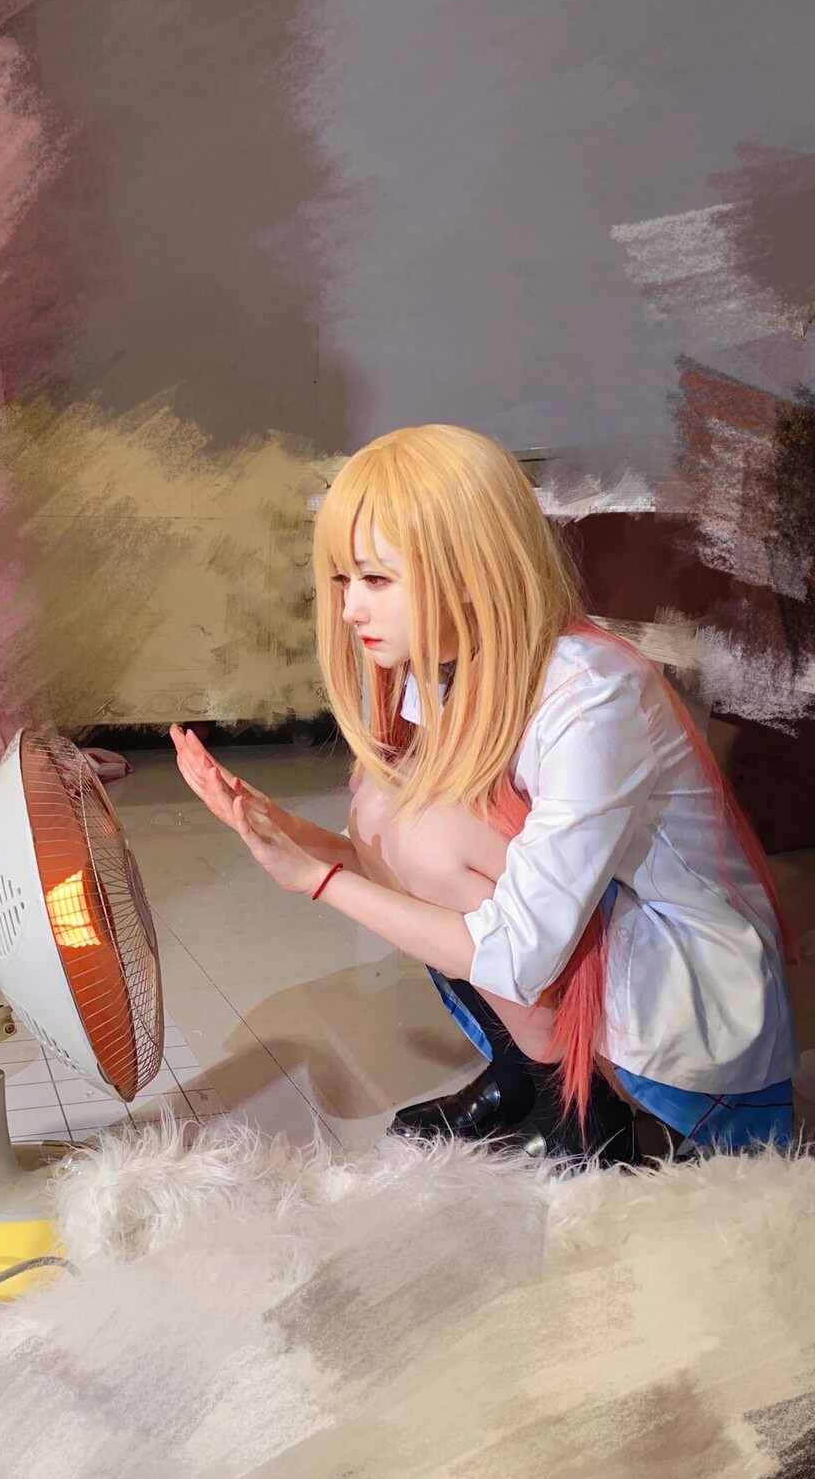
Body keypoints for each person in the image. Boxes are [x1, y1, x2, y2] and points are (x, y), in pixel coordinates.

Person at [171, 424, 798, 1168]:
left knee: (417, 827)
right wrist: (287, 835)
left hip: (692, 987)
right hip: (597, 928)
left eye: (375, 581)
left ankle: (583, 1112)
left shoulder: (591, 693)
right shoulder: (449, 660)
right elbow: (406, 864)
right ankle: (531, 1074)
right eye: (342, 581)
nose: (349, 611)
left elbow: (519, 947)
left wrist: (319, 880)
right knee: (382, 805)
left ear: (469, 572)